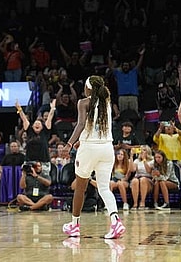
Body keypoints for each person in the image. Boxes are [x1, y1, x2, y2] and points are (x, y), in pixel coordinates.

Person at [63, 75, 125, 239]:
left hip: (89, 149)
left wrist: (69, 143)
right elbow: (95, 127)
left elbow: (82, 123)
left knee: (80, 187)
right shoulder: (107, 103)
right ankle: (115, 221)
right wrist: (81, 141)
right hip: (106, 148)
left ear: (88, 88)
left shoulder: (83, 102)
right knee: (104, 188)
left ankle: (74, 225)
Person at [129, 145, 154, 210]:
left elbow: (149, 171)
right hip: (138, 178)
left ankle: (142, 202)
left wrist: (144, 160)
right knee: (135, 181)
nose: (142, 152)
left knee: (143, 179)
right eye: (141, 150)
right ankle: (135, 203)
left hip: (148, 179)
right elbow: (132, 170)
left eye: (144, 150)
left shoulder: (152, 160)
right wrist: (131, 156)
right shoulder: (137, 161)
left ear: (148, 151)